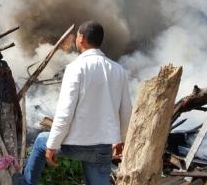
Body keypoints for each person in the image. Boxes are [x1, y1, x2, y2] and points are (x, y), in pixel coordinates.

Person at [22, 21, 132, 185]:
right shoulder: (118, 70)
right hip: (103, 149)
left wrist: (52, 146)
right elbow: (126, 112)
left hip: (78, 145)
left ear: (81, 38)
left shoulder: (76, 68)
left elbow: (65, 113)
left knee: (40, 141)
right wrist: (121, 140)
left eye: (77, 37)